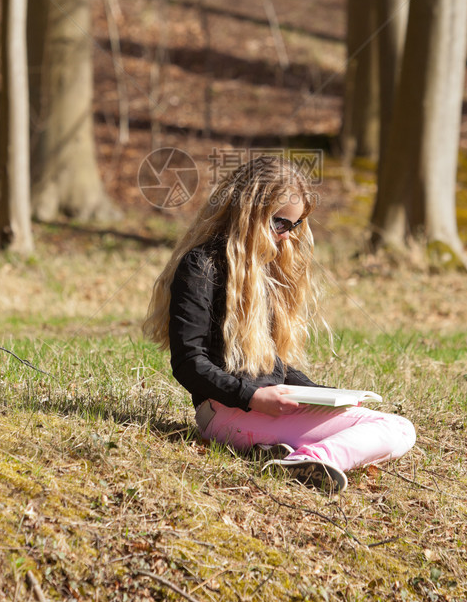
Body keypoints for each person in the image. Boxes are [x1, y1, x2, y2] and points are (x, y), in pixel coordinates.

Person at [144, 155, 415, 493]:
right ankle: (306, 460)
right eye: (280, 223)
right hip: (224, 412)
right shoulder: (202, 266)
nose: (287, 236)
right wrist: (252, 397)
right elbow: (188, 362)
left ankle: (278, 453)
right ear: (248, 213)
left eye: (296, 225)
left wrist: (326, 397)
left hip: (255, 412)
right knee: (398, 428)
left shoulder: (266, 269)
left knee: (391, 428)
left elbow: (273, 368)